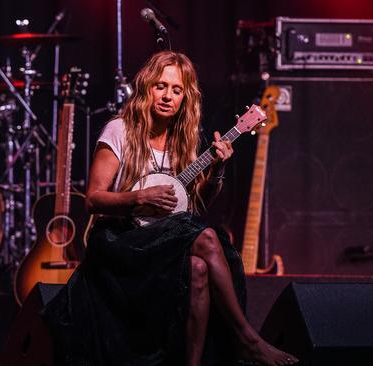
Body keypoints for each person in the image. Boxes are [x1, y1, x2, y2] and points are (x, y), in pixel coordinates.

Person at [43, 51, 298, 366]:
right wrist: (139, 198)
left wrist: (216, 169)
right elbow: (93, 199)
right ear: (147, 87)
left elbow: (192, 204)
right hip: (121, 239)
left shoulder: (184, 141)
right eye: (160, 86)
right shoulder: (119, 130)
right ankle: (247, 339)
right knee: (205, 238)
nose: (167, 96)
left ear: (185, 97)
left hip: (162, 239)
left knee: (200, 268)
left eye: (176, 90)